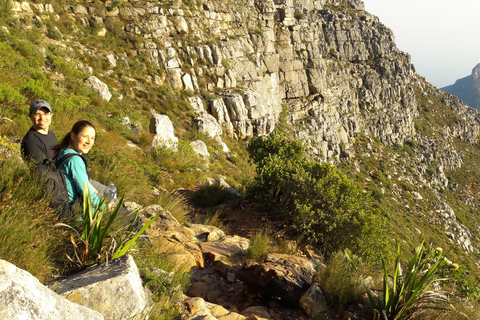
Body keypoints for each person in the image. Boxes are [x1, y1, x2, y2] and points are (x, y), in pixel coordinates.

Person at [52, 120, 113, 211]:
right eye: (85, 137)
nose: (89, 142)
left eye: (92, 138)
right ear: (73, 136)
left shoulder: (63, 152)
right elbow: (86, 193)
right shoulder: (75, 160)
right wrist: (105, 208)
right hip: (79, 214)